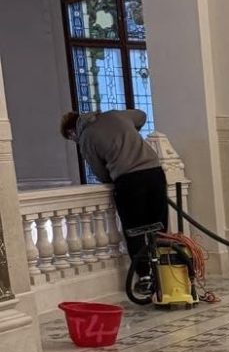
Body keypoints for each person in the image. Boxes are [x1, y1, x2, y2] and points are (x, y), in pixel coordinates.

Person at [60, 108, 168, 275]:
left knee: (135, 231)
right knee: (159, 227)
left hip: (129, 181)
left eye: (71, 139)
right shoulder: (115, 115)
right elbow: (141, 116)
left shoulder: (86, 137)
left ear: (71, 132)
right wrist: (129, 133)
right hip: (155, 173)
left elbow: (100, 172)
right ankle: (166, 272)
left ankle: (145, 276)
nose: (75, 141)